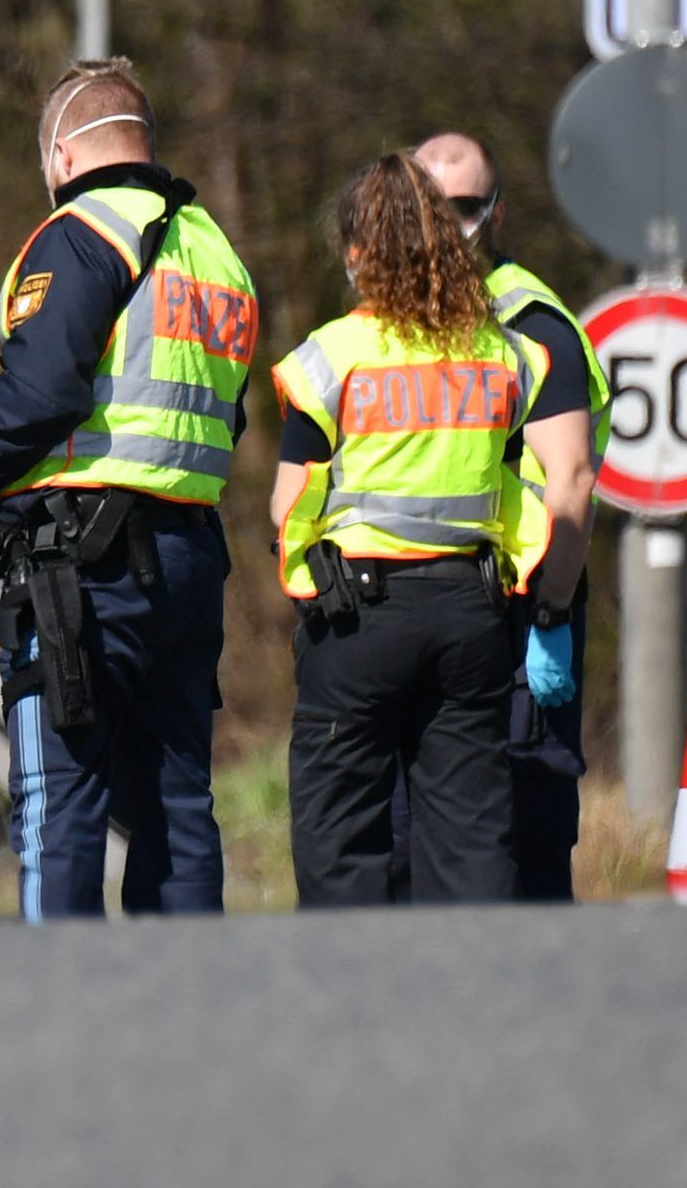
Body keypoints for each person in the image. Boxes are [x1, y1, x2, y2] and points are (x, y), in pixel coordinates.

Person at [0, 58, 258, 922]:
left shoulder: (85, 231)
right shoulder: (217, 250)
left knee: (62, 800)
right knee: (176, 802)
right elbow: (227, 416)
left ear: (63, 152)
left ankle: (60, 1011)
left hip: (82, 564)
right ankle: (181, 1006)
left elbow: (43, 391)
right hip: (190, 554)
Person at [270, 153, 582, 906]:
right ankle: (469, 1001)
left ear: (357, 254)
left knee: (340, 834)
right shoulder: (503, 352)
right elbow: (557, 474)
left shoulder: (331, 356)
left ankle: (355, 1006)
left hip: (355, 622)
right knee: (472, 834)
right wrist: (548, 606)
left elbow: (287, 503)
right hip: (471, 618)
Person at [396, 131, 605, 901]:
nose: (448, 226)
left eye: (466, 208)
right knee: (413, 837)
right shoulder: (391, 324)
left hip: (522, 610)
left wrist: (551, 612)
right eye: (429, 208)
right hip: (424, 605)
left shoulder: (532, 323)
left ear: (498, 213)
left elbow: (571, 480)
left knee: (525, 828)